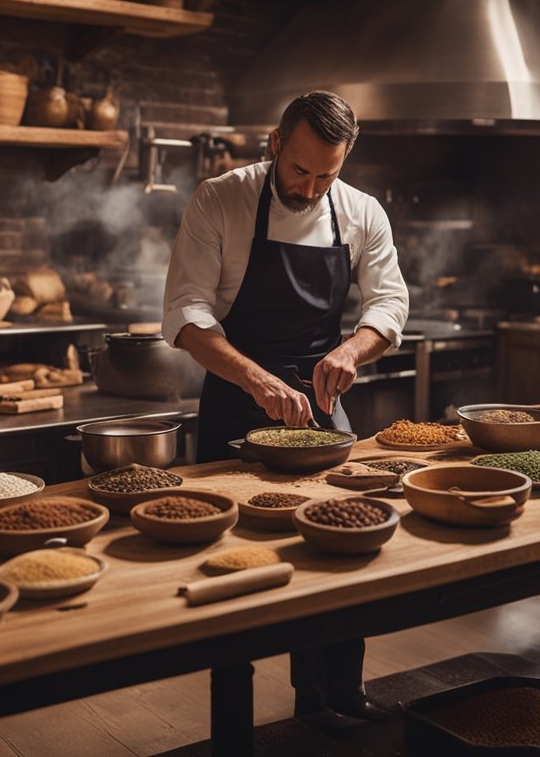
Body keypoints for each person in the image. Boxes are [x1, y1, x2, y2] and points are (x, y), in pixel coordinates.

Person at [162, 91, 409, 720]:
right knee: (234, 563)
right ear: (275, 143)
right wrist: (255, 378)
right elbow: (186, 313)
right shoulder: (220, 199)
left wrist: (351, 352)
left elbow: (388, 305)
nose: (312, 185)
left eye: (329, 173)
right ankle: (232, 712)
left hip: (320, 403)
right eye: (301, 170)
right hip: (236, 397)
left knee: (339, 551)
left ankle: (333, 697)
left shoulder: (361, 212)